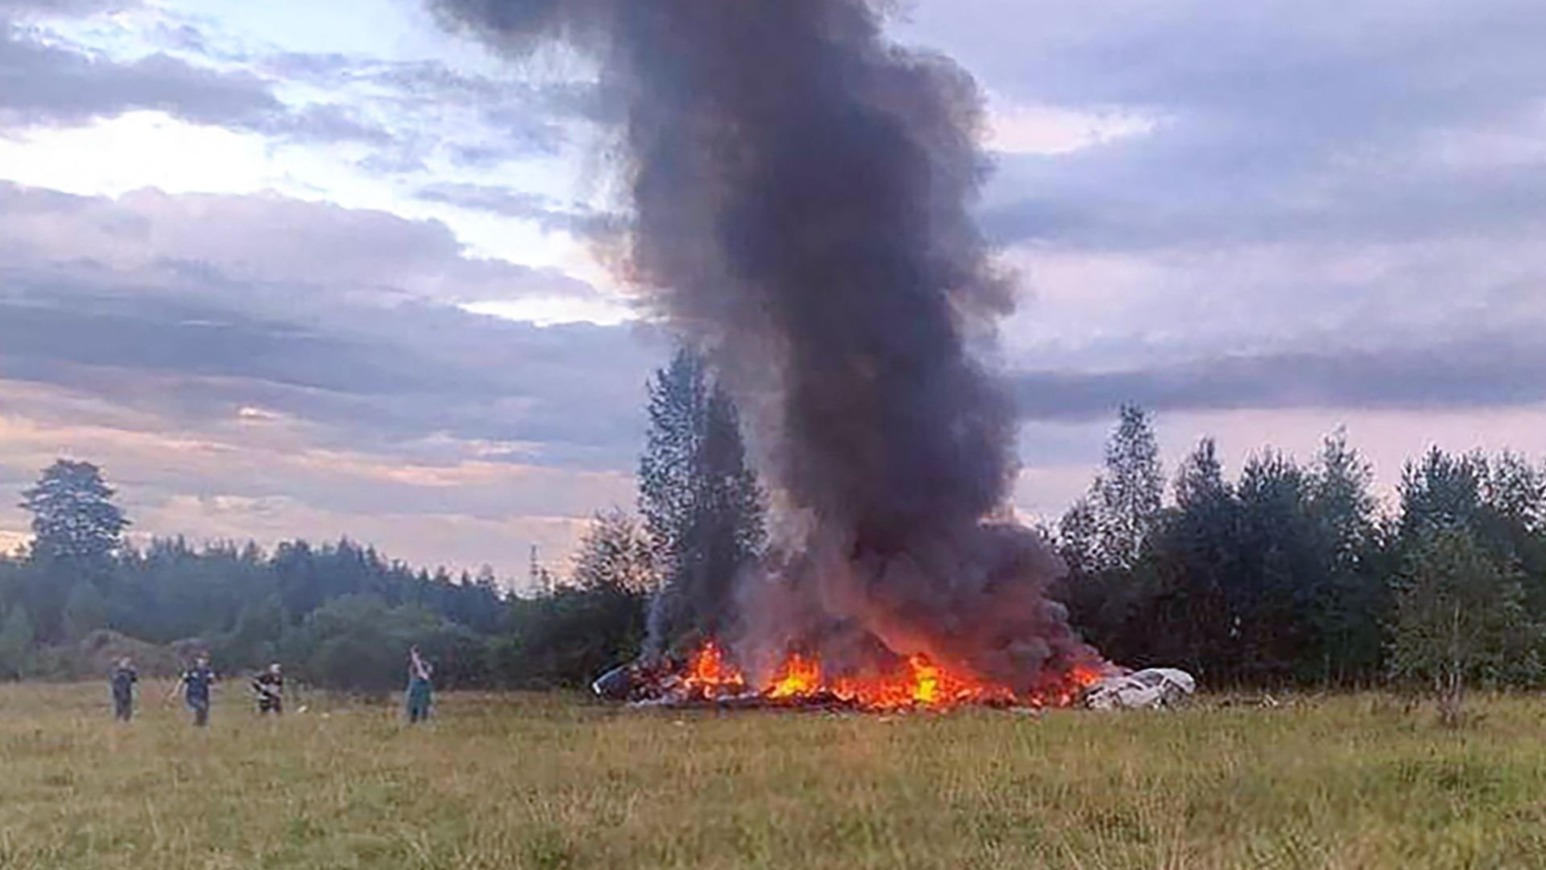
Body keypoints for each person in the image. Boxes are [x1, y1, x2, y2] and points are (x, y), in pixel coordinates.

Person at [170, 654, 217, 727]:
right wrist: (175, 693)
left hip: (204, 697)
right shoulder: (191, 671)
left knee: (204, 714)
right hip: (192, 695)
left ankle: (199, 727)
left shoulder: (208, 672)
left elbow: (212, 683)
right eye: (201, 659)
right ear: (197, 660)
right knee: (201, 707)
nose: (203, 661)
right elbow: (181, 681)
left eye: (205, 660)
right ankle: (198, 725)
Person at [405, 646, 434, 724]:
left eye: (415, 653)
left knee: (424, 704)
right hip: (415, 685)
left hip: (422, 685)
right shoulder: (412, 665)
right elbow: (412, 674)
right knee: (412, 704)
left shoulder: (425, 664)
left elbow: (427, 675)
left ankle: (423, 720)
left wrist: (423, 673)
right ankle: (413, 720)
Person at [110, 656, 137, 722]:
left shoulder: (118, 672)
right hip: (121, 690)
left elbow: (134, 680)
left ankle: (124, 717)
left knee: (124, 703)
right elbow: (134, 680)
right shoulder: (118, 673)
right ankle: (122, 717)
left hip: (125, 689)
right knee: (122, 703)